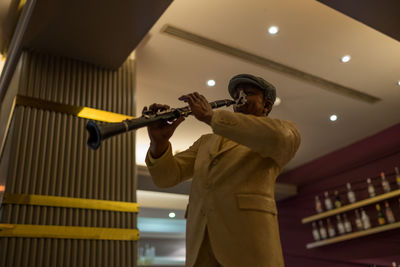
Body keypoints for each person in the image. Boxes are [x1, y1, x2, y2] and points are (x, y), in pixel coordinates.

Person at [144, 74, 301, 267]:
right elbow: (167, 178)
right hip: (201, 249)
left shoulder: (282, 131)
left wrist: (212, 117)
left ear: (267, 105)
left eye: (248, 93)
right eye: (236, 93)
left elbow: (280, 137)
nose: (239, 96)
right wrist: (158, 144)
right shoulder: (206, 142)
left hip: (250, 252)